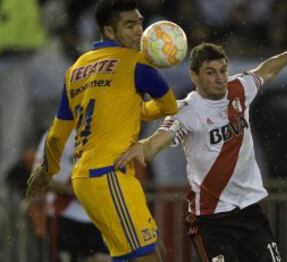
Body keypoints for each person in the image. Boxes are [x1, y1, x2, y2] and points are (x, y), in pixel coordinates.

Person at [114, 40, 287, 262]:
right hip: (211, 221)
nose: (220, 78)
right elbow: (155, 143)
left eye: (223, 70)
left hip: (250, 212)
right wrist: (138, 149)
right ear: (194, 76)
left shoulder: (240, 88)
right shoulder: (186, 111)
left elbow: (267, 70)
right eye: (210, 72)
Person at [26, 0, 178, 261]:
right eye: (130, 25)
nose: (138, 31)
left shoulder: (76, 69)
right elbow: (169, 106)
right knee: (148, 258)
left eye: (140, 22)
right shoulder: (136, 63)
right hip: (109, 175)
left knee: (153, 252)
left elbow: (58, 132)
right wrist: (139, 110)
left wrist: (46, 170)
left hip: (90, 177)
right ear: (108, 31)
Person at [32, 131, 110, 262]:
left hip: (99, 217)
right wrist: (72, 191)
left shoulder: (104, 132)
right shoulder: (56, 133)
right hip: (64, 215)